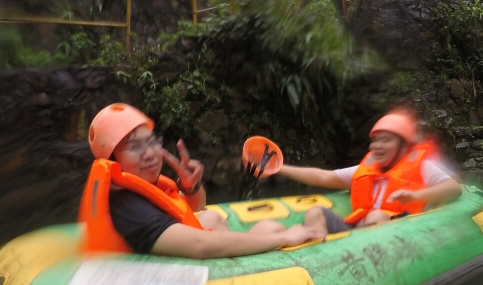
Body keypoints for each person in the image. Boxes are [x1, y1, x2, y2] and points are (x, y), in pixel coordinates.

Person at [80, 103, 318, 257]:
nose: (150, 153)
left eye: (152, 141)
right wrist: (285, 238)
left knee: (213, 216)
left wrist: (190, 186)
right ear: (112, 158)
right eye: (134, 147)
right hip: (165, 278)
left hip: (184, 249)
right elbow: (200, 245)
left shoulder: (137, 185)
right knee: (273, 229)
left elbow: (195, 208)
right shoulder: (127, 205)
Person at [274, 110, 462, 236]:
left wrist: (415, 195)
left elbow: (453, 188)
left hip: (399, 234)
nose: (376, 147)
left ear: (404, 147)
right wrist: (279, 168)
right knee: (316, 213)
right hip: (358, 231)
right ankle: (317, 257)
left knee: (376, 216)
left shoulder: (422, 167)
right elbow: (323, 176)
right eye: (375, 141)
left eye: (386, 140)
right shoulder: (365, 170)